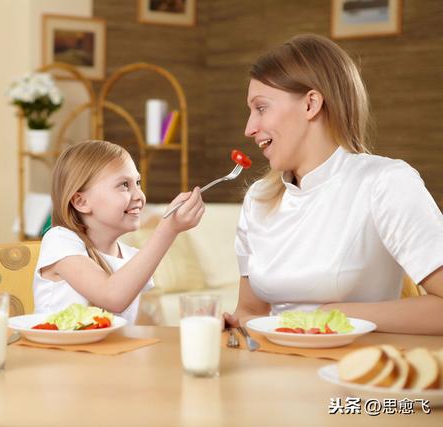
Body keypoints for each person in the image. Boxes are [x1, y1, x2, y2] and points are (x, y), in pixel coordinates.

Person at [224, 34, 443, 335]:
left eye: (261, 108)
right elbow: (250, 312)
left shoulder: (385, 182)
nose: (249, 128)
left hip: (351, 372)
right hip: (269, 368)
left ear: (311, 104)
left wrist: (338, 316)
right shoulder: (258, 199)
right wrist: (231, 324)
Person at [33, 140, 205, 324]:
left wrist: (197, 320)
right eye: (124, 184)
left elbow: (133, 326)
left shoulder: (131, 259)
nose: (139, 195)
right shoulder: (59, 241)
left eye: (137, 182)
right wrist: (168, 229)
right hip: (56, 352)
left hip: (107, 353)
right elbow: (113, 297)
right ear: (81, 202)